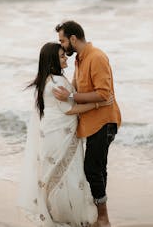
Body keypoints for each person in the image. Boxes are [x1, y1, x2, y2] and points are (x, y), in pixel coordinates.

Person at [18, 42, 113, 227]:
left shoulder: (47, 80)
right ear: (53, 59)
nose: (65, 58)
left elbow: (68, 96)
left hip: (52, 135)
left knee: (54, 176)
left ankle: (55, 215)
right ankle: (69, 217)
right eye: (62, 56)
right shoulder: (57, 82)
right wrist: (99, 104)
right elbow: (71, 110)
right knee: (68, 175)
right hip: (63, 136)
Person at [52, 21, 121, 227]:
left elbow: (103, 93)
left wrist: (71, 95)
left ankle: (103, 218)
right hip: (93, 122)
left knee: (92, 168)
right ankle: (99, 215)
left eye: (62, 41)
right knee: (98, 169)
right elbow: (76, 87)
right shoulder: (80, 60)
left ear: (73, 39)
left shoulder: (96, 57)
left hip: (104, 121)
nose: (62, 45)